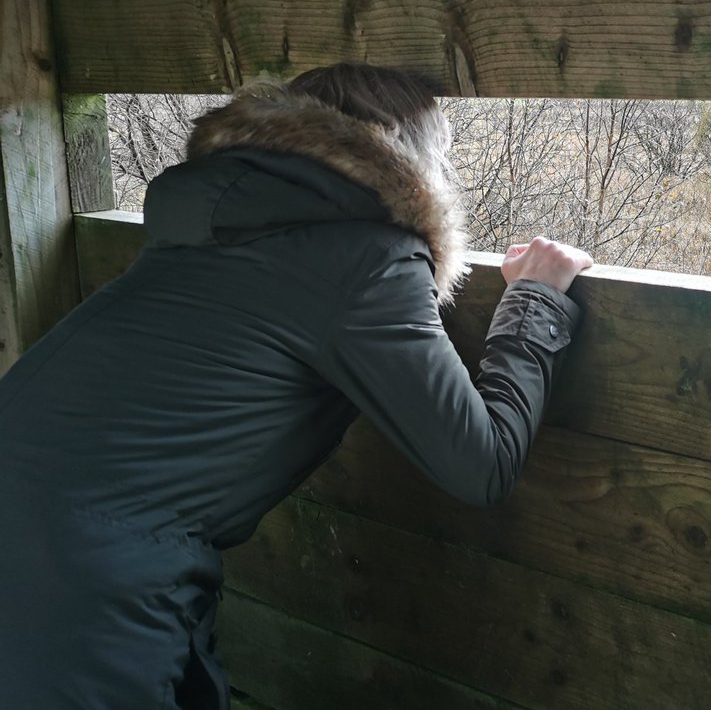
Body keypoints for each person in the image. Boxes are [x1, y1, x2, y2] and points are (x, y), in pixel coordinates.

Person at [0, 63, 593, 709]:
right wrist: (534, 297)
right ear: (403, 150)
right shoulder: (365, 258)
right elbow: (480, 464)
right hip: (82, 575)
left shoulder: (207, 226)